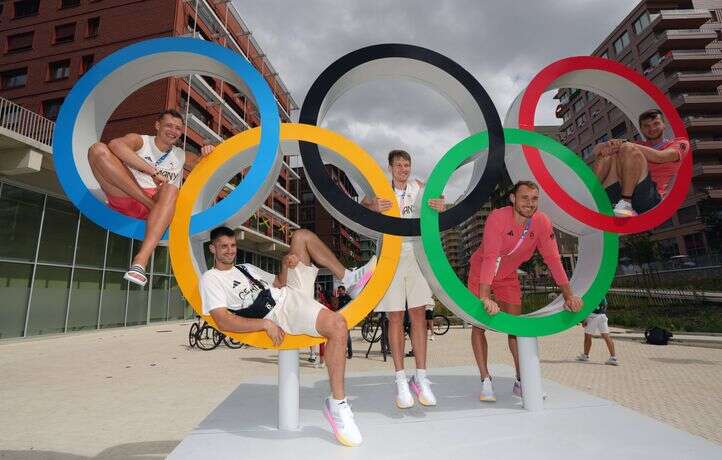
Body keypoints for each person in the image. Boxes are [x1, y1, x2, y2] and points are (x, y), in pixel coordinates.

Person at [200, 226, 376, 447]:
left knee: (301, 236)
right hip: (279, 311)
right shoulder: (211, 279)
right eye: (223, 246)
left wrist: (286, 265)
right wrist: (265, 324)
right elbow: (222, 320)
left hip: (286, 294)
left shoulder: (245, 268)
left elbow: (278, 282)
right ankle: (338, 404)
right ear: (212, 248)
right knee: (337, 325)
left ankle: (349, 279)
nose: (230, 250)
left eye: (233, 245)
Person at [467, 181, 583, 402]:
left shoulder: (541, 222)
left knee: (516, 327)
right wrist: (485, 296)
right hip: (481, 272)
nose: (530, 203)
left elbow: (553, 259)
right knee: (480, 325)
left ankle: (522, 380)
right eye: (524, 198)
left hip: (508, 275)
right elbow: (491, 256)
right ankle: (485, 379)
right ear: (513, 199)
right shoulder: (497, 218)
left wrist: (569, 295)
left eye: (534, 199)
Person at [87, 109, 213, 286]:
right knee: (97, 149)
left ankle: (140, 262)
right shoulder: (140, 140)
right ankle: (150, 205)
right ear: (157, 125)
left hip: (160, 204)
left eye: (178, 128)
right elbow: (115, 145)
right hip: (128, 193)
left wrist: (209, 151)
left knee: (170, 189)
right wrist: (151, 170)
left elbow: (205, 164)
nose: (173, 131)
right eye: (169, 125)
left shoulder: (180, 154)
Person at [362, 149, 445, 408]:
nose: (403, 169)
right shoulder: (379, 189)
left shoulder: (418, 187)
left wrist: (441, 204)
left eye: (406, 164)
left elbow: (439, 202)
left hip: (416, 255)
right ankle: (400, 379)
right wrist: (373, 206)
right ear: (389, 167)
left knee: (419, 314)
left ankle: (420, 377)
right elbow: (362, 207)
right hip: (391, 256)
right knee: (395, 316)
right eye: (398, 165)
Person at [591, 109, 690, 217]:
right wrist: (608, 145)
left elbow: (660, 157)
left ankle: (626, 203)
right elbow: (596, 150)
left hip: (649, 198)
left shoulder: (679, 143)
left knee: (628, 148)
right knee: (608, 153)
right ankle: (591, 193)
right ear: (641, 129)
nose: (652, 128)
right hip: (622, 188)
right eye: (646, 126)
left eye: (656, 123)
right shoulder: (636, 145)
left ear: (663, 125)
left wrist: (624, 144)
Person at [577, 297, 618, 366]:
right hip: (602, 316)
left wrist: (584, 319)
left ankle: (585, 355)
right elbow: (605, 305)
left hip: (592, 316)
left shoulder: (592, 293)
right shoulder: (602, 294)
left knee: (588, 336)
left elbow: (587, 306)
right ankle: (613, 357)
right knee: (606, 336)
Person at [336, 285, 354, 359]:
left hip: (347, 320)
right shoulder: (338, 299)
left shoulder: (348, 299)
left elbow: (352, 309)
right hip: (339, 320)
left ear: (344, 290)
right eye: (338, 291)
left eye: (340, 291)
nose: (339, 292)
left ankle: (350, 352)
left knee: (347, 337)